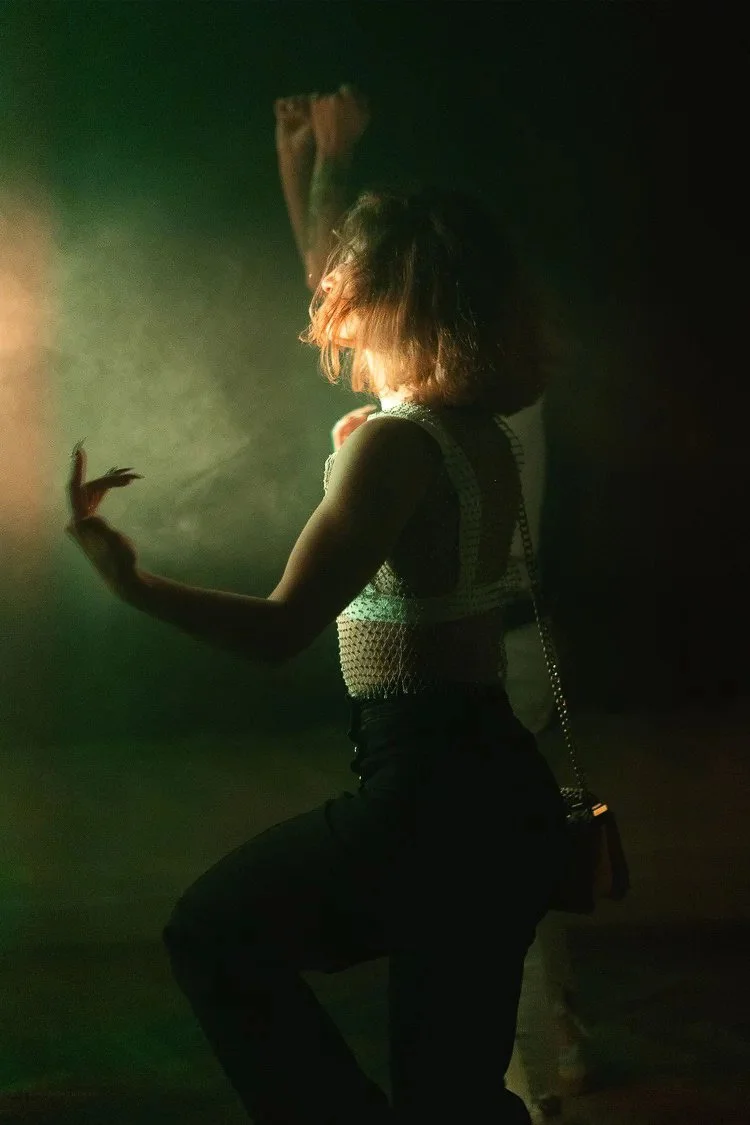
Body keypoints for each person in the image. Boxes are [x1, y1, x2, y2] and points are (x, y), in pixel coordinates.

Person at [66, 183, 568, 1124]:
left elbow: (281, 628)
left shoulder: (396, 445)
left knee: (213, 932)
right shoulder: (478, 436)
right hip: (497, 790)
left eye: (353, 300)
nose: (340, 327)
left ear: (395, 304)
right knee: (451, 1100)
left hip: (430, 792)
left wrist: (131, 583)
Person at [275, 88, 589, 1121]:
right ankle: (529, 1086)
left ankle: (537, 1091)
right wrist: (310, 176)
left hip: (470, 673)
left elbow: (349, 291)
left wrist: (320, 173)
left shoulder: (429, 423)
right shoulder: (482, 390)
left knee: (478, 920)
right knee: (488, 916)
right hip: (491, 663)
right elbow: (350, 293)